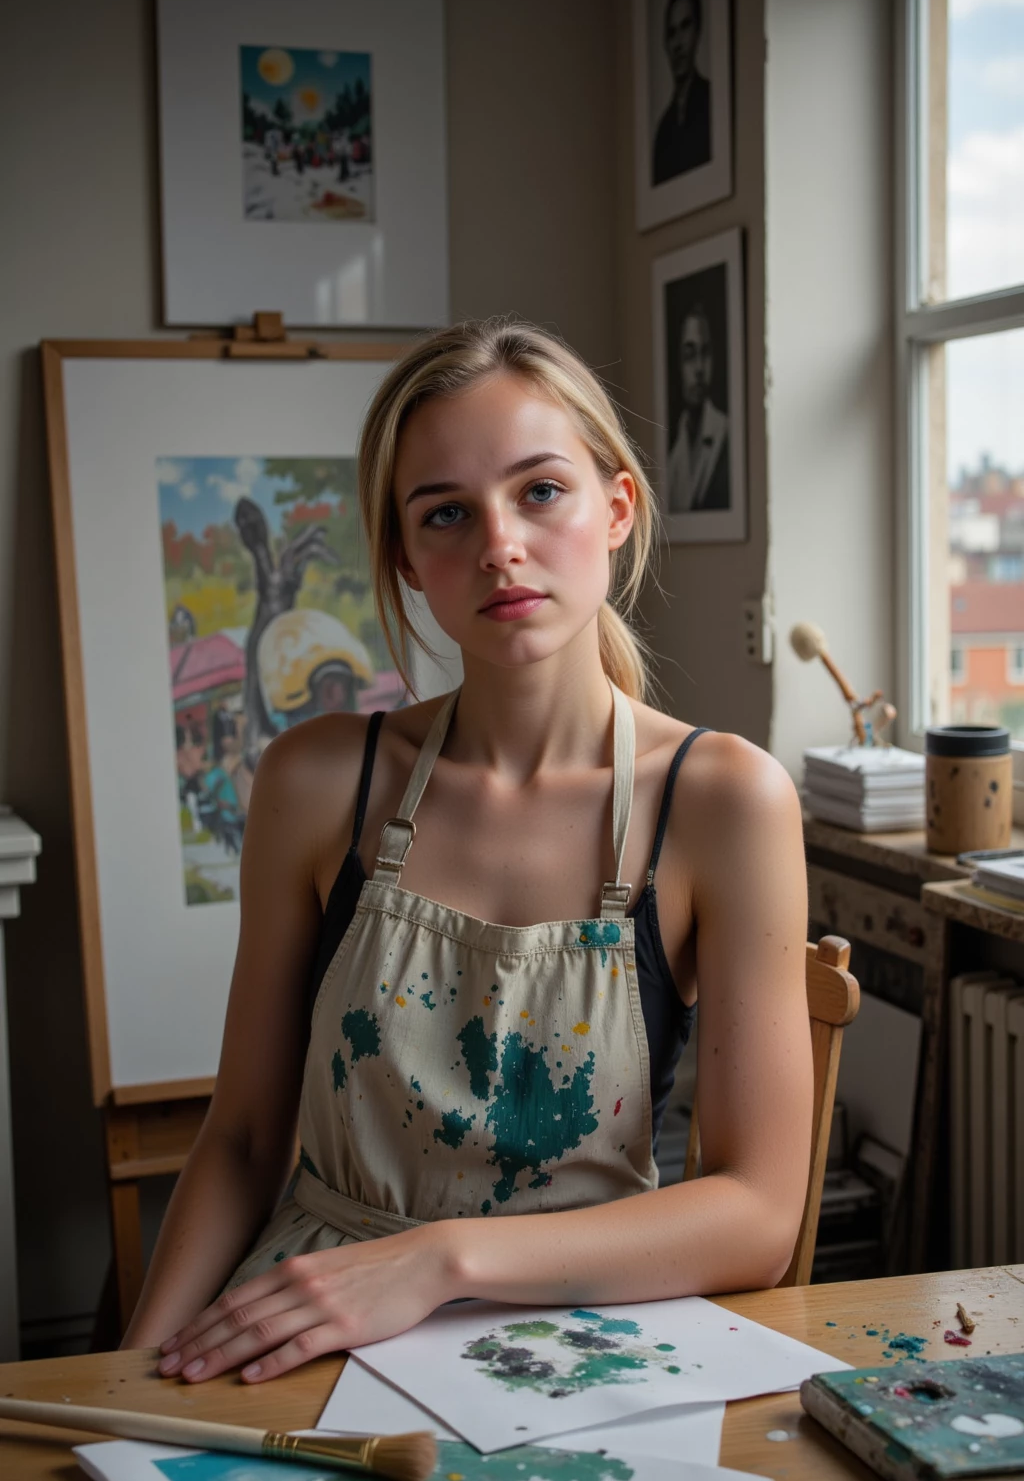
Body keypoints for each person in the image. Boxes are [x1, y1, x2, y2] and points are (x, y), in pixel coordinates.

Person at [122, 318, 811, 1384]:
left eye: (540, 491)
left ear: (615, 508)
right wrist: (129, 1375)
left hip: (592, 1335)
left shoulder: (724, 801)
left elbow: (758, 1215)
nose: (498, 543)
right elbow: (247, 1140)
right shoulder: (317, 783)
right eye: (446, 512)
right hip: (309, 1332)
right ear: (406, 560)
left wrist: (437, 1262)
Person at [667, 302, 730, 513]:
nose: (700, 369)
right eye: (689, 355)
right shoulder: (674, 446)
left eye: (706, 353)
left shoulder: (726, 433)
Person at [652, 0, 711, 186]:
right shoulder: (663, 131)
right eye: (671, 32)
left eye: (685, 26)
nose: (678, 44)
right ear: (665, 44)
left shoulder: (711, 105)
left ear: (698, 30)